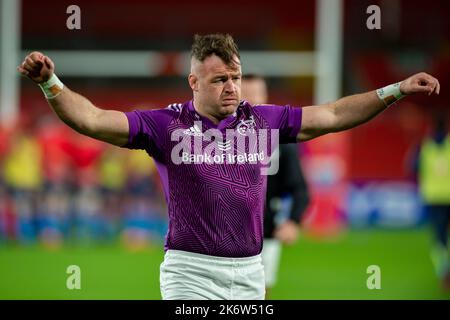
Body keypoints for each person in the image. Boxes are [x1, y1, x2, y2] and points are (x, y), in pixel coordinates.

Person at [18, 33, 440, 300]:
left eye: (235, 76)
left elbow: (330, 115)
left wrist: (395, 89)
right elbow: (91, 119)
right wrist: (51, 84)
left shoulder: (263, 120)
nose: (232, 87)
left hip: (250, 273)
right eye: (220, 79)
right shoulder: (165, 125)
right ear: (194, 83)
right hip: (191, 273)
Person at [241, 74, 309, 297]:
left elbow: (300, 188)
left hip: (265, 234)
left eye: (255, 95)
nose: (251, 101)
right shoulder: (217, 137)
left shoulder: (279, 141)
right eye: (245, 95)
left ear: (265, 97)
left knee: (258, 293)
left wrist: (293, 221)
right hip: (222, 233)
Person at [417, 111, 450, 290]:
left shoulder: (425, 146)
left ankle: (444, 271)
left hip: (432, 197)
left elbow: (412, 167)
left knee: (439, 239)